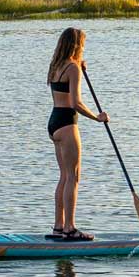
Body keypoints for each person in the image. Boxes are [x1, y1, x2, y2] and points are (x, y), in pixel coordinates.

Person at [46, 27, 106, 241]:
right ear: (76, 44)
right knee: (74, 176)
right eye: (82, 44)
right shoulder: (73, 68)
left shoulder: (56, 65)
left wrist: (78, 65)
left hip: (53, 123)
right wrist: (97, 117)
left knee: (64, 176)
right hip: (67, 123)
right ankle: (70, 229)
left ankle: (58, 227)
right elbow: (76, 103)